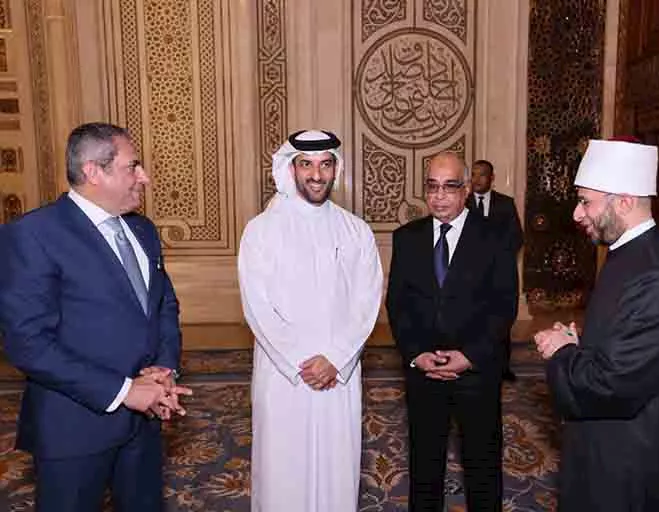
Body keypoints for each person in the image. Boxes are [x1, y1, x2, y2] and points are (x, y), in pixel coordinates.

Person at [0, 122, 192, 512]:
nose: (144, 177)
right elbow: (28, 344)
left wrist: (164, 366)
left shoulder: (142, 229)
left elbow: (163, 306)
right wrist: (124, 391)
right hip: (75, 427)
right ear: (93, 172)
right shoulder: (32, 234)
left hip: (144, 421)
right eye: (132, 166)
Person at [534, 139, 659, 511]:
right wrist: (579, 342)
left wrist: (562, 352)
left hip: (630, 462)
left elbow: (613, 384)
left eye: (586, 202)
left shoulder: (656, 276)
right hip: (611, 444)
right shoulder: (628, 253)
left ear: (625, 202)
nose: (577, 214)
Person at [238, 130, 383, 512]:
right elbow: (257, 307)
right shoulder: (261, 230)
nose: (317, 175)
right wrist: (302, 362)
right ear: (291, 168)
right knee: (282, 472)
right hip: (284, 375)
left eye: (325, 164)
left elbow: (367, 301)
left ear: (337, 168)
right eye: (307, 164)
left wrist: (335, 358)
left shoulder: (356, 230)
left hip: (338, 374)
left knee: (337, 468)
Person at [387, 151, 519, 512]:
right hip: (423, 372)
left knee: (482, 465)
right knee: (424, 465)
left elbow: (504, 306)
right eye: (432, 187)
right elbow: (397, 305)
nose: (439, 196)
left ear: (466, 189)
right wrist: (416, 354)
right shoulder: (406, 238)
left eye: (449, 187)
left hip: (476, 372)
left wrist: (470, 356)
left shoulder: (495, 237)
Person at [466, 159, 524, 381]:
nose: (476, 179)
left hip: (500, 274)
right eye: (473, 174)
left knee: (500, 320)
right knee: (472, 320)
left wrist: (497, 259)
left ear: (492, 178)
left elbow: (516, 237)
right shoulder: (462, 202)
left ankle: (503, 368)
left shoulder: (505, 203)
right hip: (470, 273)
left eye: (482, 175)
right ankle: (471, 364)